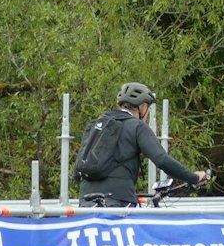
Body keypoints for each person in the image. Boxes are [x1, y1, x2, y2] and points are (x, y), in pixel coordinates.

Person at [76, 82, 211, 207]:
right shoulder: (137, 126)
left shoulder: (96, 124)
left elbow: (78, 171)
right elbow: (162, 160)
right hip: (117, 203)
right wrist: (193, 177)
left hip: (86, 201)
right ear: (142, 107)